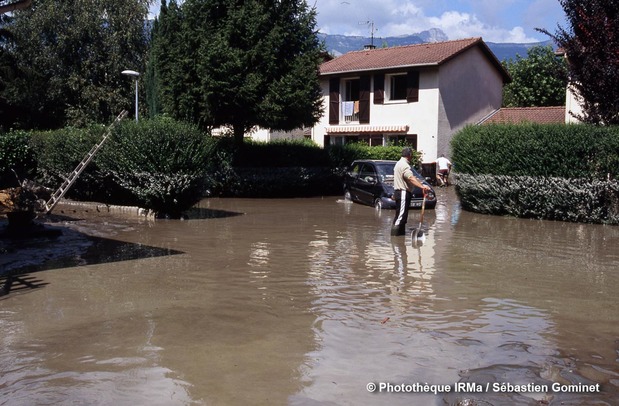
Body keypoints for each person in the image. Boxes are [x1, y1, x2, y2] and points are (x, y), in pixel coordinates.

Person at [391, 147, 431, 236]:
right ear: (409, 155)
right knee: (400, 217)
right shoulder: (404, 165)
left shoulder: (399, 163)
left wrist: (421, 184)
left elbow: (411, 178)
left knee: (402, 217)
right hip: (403, 192)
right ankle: (394, 240)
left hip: (400, 192)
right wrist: (422, 187)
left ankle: (400, 241)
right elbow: (410, 178)